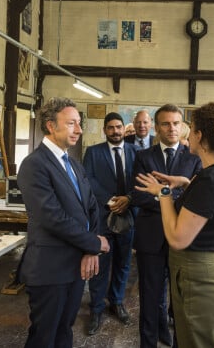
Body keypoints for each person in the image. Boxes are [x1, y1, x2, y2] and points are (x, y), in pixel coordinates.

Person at [135, 101, 214, 348]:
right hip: (209, 270)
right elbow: (206, 200)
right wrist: (184, 182)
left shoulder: (210, 181)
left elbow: (177, 238)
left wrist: (162, 193)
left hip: (201, 280)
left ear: (200, 136)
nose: (184, 133)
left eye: (189, 128)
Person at [17, 97, 110, 348]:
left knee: (64, 332)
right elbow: (52, 217)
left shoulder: (74, 165)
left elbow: (92, 207)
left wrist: (90, 249)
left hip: (76, 266)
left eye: (78, 123)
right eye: (71, 123)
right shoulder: (34, 165)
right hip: (50, 268)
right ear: (50, 126)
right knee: (44, 337)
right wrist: (93, 242)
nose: (79, 130)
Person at [131, 104, 202, 348]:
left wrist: (160, 194)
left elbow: (196, 200)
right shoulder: (143, 157)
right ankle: (148, 343)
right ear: (156, 127)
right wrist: (174, 197)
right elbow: (139, 197)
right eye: (165, 123)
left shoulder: (194, 160)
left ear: (183, 126)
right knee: (149, 297)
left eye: (176, 123)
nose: (171, 128)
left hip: (182, 237)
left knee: (180, 299)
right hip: (151, 237)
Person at [82, 113, 138, 335]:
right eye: (111, 128)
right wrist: (112, 200)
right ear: (105, 130)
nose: (116, 131)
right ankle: (96, 309)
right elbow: (88, 180)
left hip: (129, 216)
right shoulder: (93, 152)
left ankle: (117, 302)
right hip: (103, 217)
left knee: (123, 263)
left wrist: (129, 199)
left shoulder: (136, 152)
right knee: (100, 266)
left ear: (124, 129)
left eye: (119, 127)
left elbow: (141, 179)